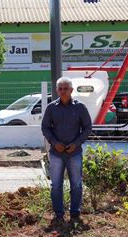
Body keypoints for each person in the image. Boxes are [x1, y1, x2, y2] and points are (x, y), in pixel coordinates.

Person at [41, 77, 92, 227]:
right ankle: (58, 214)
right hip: (56, 154)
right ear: (57, 91)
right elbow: (45, 128)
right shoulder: (51, 108)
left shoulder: (80, 107)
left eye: (66, 88)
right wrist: (55, 143)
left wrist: (76, 144)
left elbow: (88, 127)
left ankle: (75, 213)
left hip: (74, 153)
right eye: (60, 89)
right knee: (56, 185)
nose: (63, 91)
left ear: (71, 90)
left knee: (76, 184)